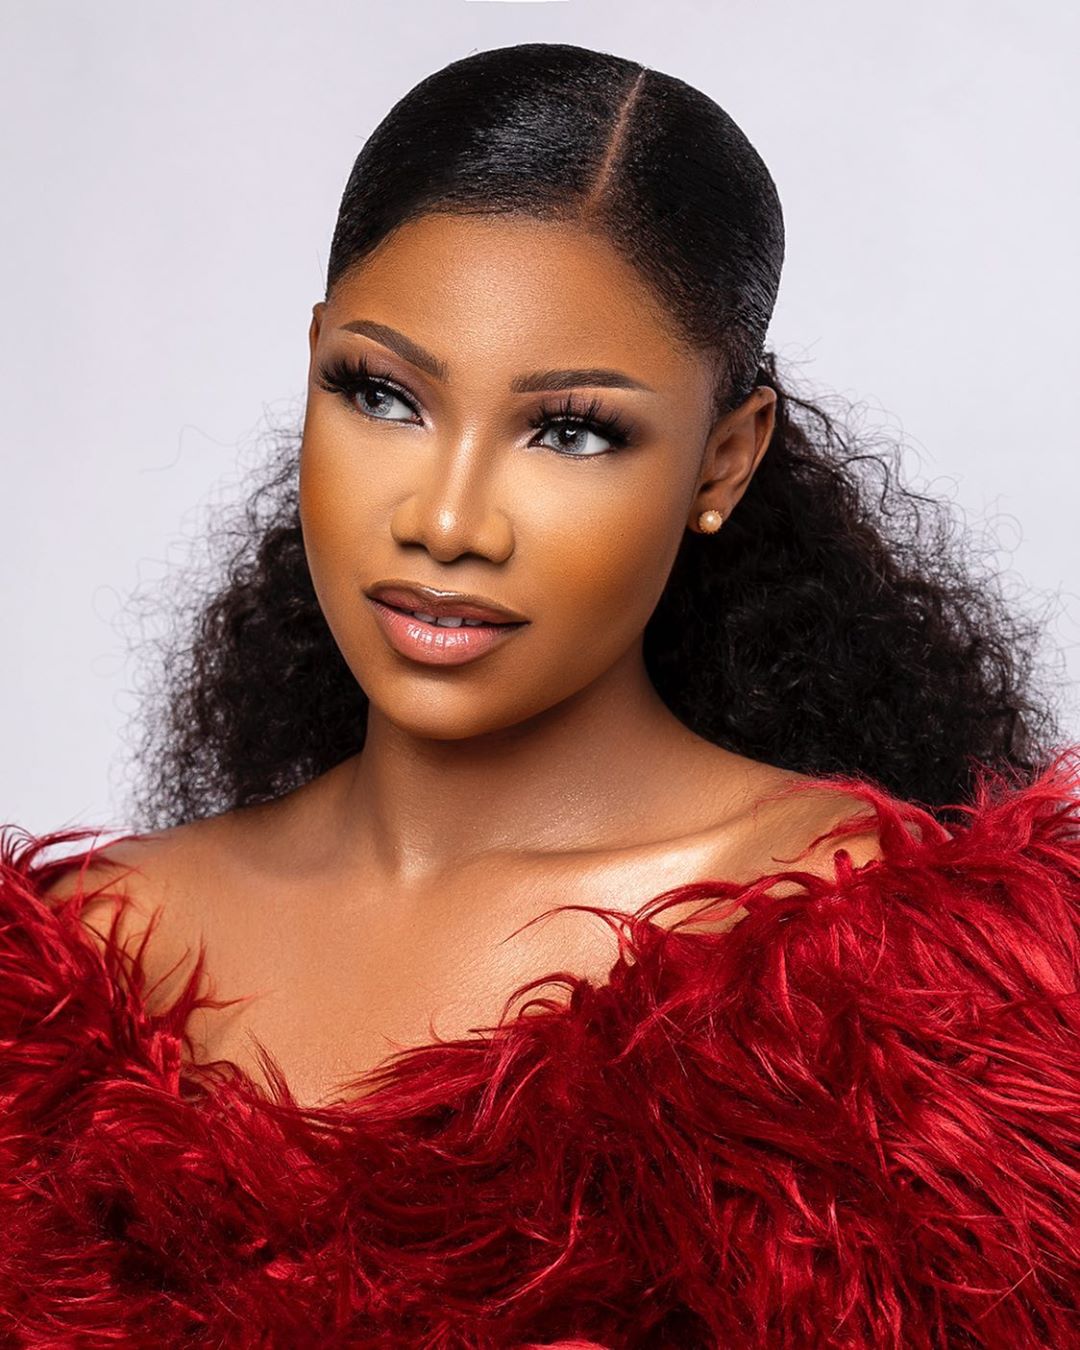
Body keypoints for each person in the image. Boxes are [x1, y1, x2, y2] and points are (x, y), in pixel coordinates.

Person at [1, 40, 1077, 1349]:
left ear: (724, 459)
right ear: (312, 364)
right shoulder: (67, 966)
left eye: (571, 431)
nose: (447, 520)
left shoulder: (899, 1001)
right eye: (382, 394)